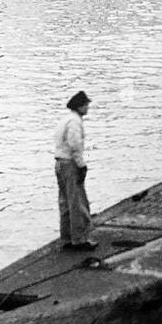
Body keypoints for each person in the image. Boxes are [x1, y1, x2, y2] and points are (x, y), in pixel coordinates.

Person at [53, 91, 95, 250]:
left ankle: (67, 238)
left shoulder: (65, 119)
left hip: (59, 163)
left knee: (64, 202)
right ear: (80, 106)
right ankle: (80, 240)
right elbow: (75, 145)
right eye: (86, 105)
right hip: (70, 164)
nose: (88, 108)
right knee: (77, 201)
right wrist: (81, 164)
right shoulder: (75, 122)